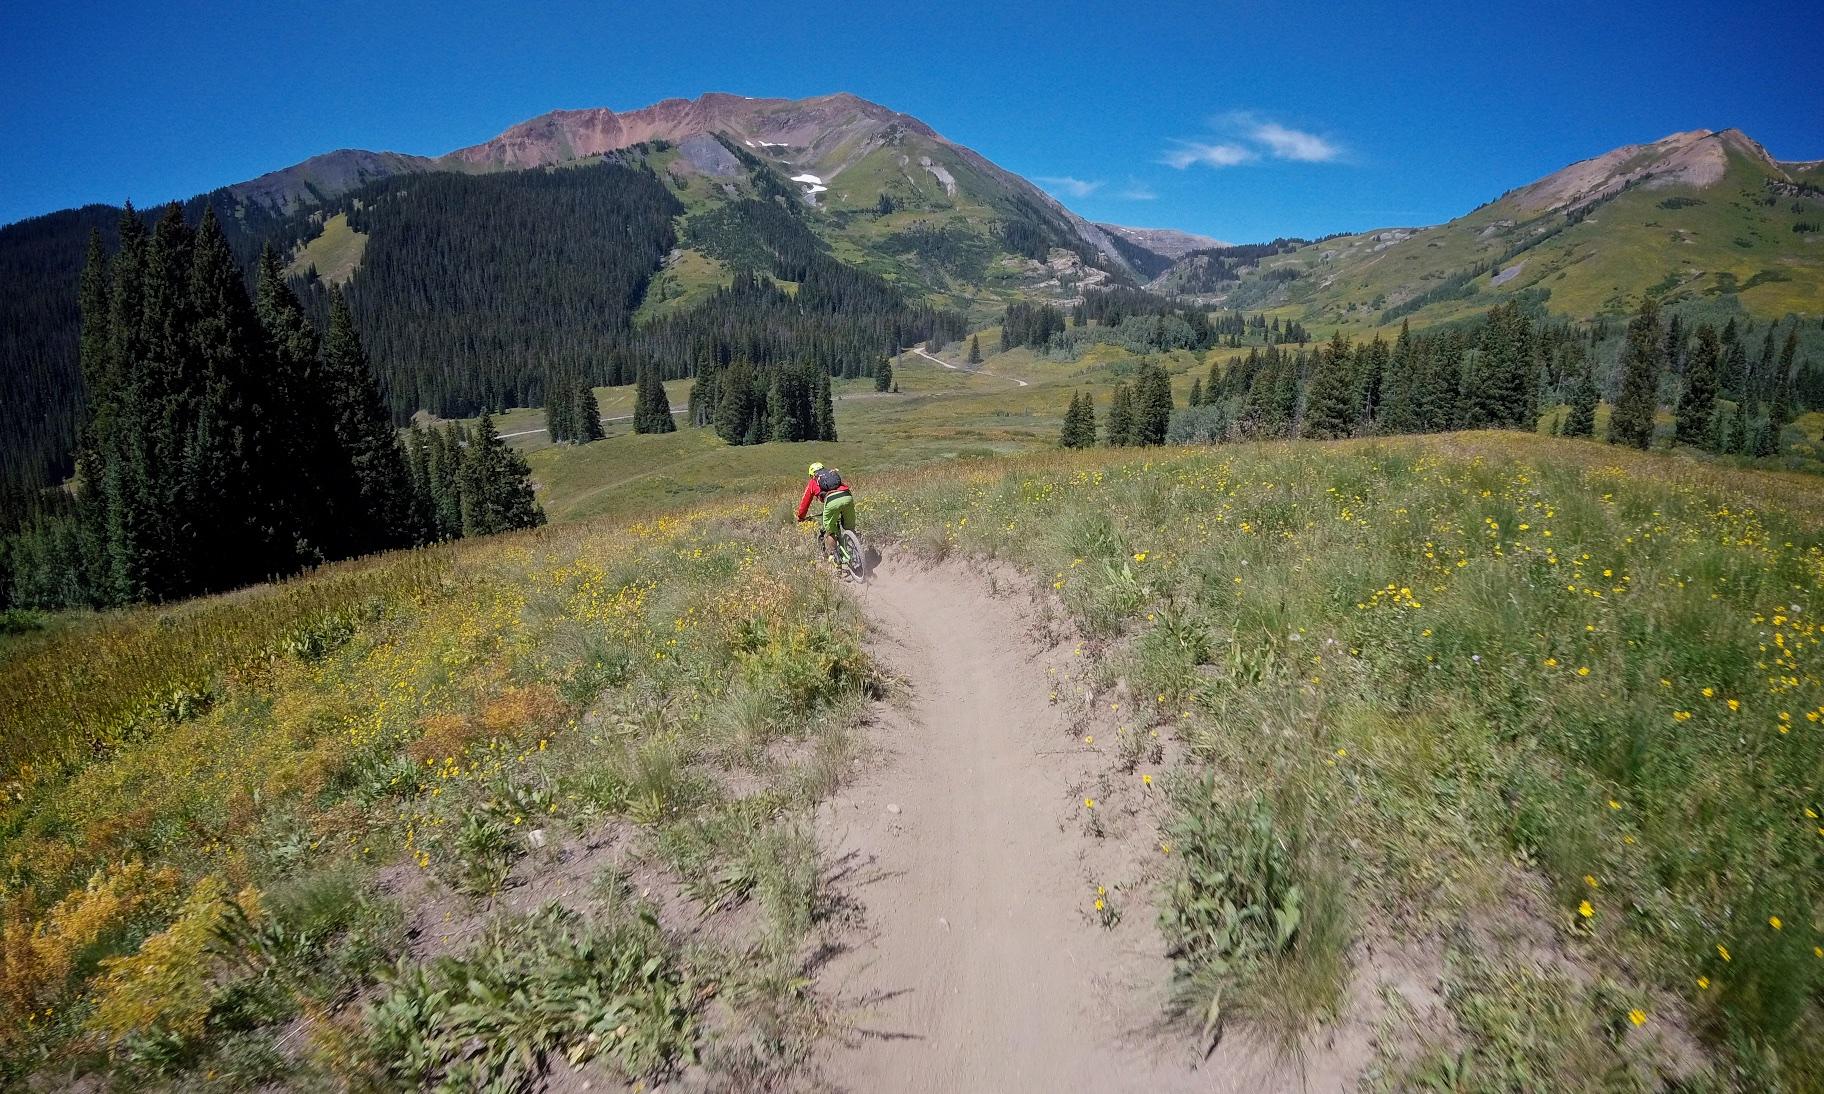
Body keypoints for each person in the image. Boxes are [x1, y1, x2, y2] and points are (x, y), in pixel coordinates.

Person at [795, 462, 855, 567]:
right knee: (849, 527)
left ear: (811, 474)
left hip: (832, 502)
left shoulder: (813, 481)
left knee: (830, 531)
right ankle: (855, 548)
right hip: (847, 496)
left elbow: (805, 503)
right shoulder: (831, 474)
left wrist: (801, 517)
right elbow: (843, 487)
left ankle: (836, 557)